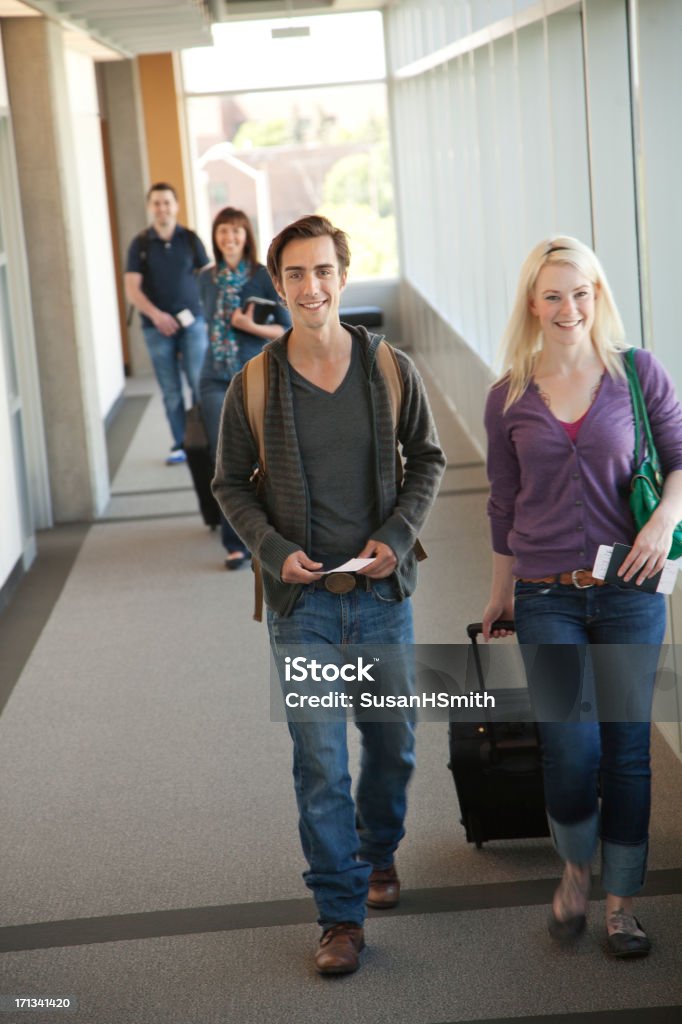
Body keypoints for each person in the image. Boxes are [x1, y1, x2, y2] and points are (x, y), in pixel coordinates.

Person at [212, 215, 445, 974]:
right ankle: (339, 915)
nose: (310, 288)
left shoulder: (389, 368)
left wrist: (399, 534)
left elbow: (430, 461)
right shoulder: (254, 381)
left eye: (322, 272)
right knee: (318, 760)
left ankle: (378, 852)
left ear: (343, 275)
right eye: (294, 276)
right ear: (276, 285)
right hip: (301, 606)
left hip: (380, 597)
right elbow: (228, 487)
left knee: (392, 746)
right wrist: (274, 553)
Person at [482, 236, 682, 958]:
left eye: (582, 293)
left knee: (627, 752)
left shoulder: (636, 374)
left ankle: (622, 902)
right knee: (570, 748)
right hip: (545, 593)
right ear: (533, 305)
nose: (570, 308)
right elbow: (503, 506)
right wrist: (499, 594)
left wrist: (664, 520)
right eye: (554, 295)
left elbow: (681, 455)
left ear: (598, 297)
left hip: (631, 590)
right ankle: (574, 870)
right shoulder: (508, 394)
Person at [198, 207, 290, 569]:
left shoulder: (263, 276)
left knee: (258, 454)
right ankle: (233, 541)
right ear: (215, 237)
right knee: (222, 458)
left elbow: (284, 329)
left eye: (236, 232)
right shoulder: (204, 278)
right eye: (223, 231)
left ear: (246, 236)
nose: (229, 238)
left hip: (251, 374)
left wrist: (247, 326)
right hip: (213, 375)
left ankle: (265, 534)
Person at [125, 183, 210, 464]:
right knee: (171, 389)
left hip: (193, 323)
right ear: (150, 207)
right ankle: (180, 444)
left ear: (176, 206)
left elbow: (208, 276)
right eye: (156, 203)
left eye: (167, 202)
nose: (162, 208)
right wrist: (157, 316)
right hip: (156, 328)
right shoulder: (140, 244)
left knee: (199, 382)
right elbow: (132, 289)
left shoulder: (190, 239)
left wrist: (203, 310)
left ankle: (207, 440)